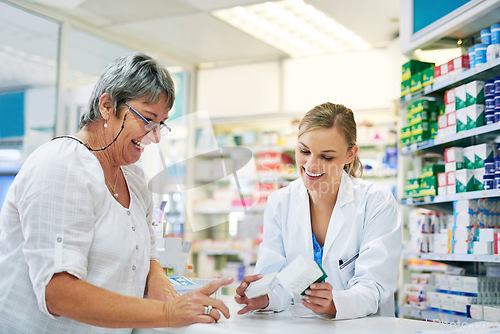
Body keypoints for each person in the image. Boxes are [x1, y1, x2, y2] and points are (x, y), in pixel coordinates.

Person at [0, 52, 232, 333]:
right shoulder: (62, 165)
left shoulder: (132, 176)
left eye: (161, 124)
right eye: (147, 119)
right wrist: (167, 313)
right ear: (107, 106)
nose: (155, 136)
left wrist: (165, 291)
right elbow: (57, 292)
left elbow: (146, 253)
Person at [235, 102, 401, 319]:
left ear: (350, 154)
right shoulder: (280, 203)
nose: (311, 165)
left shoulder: (376, 203)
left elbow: (375, 286)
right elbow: (276, 280)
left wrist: (335, 304)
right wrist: (263, 297)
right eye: (304, 151)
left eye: (327, 156)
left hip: (360, 327)